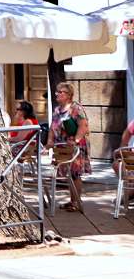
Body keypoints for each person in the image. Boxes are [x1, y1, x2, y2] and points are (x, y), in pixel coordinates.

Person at [50, 82, 91, 212]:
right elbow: (52, 127)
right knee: (68, 173)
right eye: (57, 91)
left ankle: (76, 202)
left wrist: (76, 140)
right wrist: (49, 141)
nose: (58, 94)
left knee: (75, 173)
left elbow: (83, 125)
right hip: (62, 145)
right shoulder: (57, 110)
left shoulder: (76, 108)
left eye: (61, 92)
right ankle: (72, 200)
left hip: (75, 145)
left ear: (69, 95)